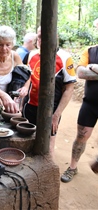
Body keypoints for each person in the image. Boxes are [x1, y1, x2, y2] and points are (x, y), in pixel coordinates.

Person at [23, 27, 76, 157]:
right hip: (29, 106)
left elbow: (69, 89)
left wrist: (56, 115)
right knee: (26, 142)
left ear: (55, 37)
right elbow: (26, 80)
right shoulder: (31, 55)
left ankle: (47, 174)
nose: (43, 39)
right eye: (40, 36)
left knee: (48, 146)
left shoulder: (65, 58)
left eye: (47, 35)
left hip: (51, 110)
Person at [60, 29, 98, 182]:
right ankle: (72, 167)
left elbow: (87, 71)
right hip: (90, 104)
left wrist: (94, 68)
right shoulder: (89, 51)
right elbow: (81, 73)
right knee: (81, 137)